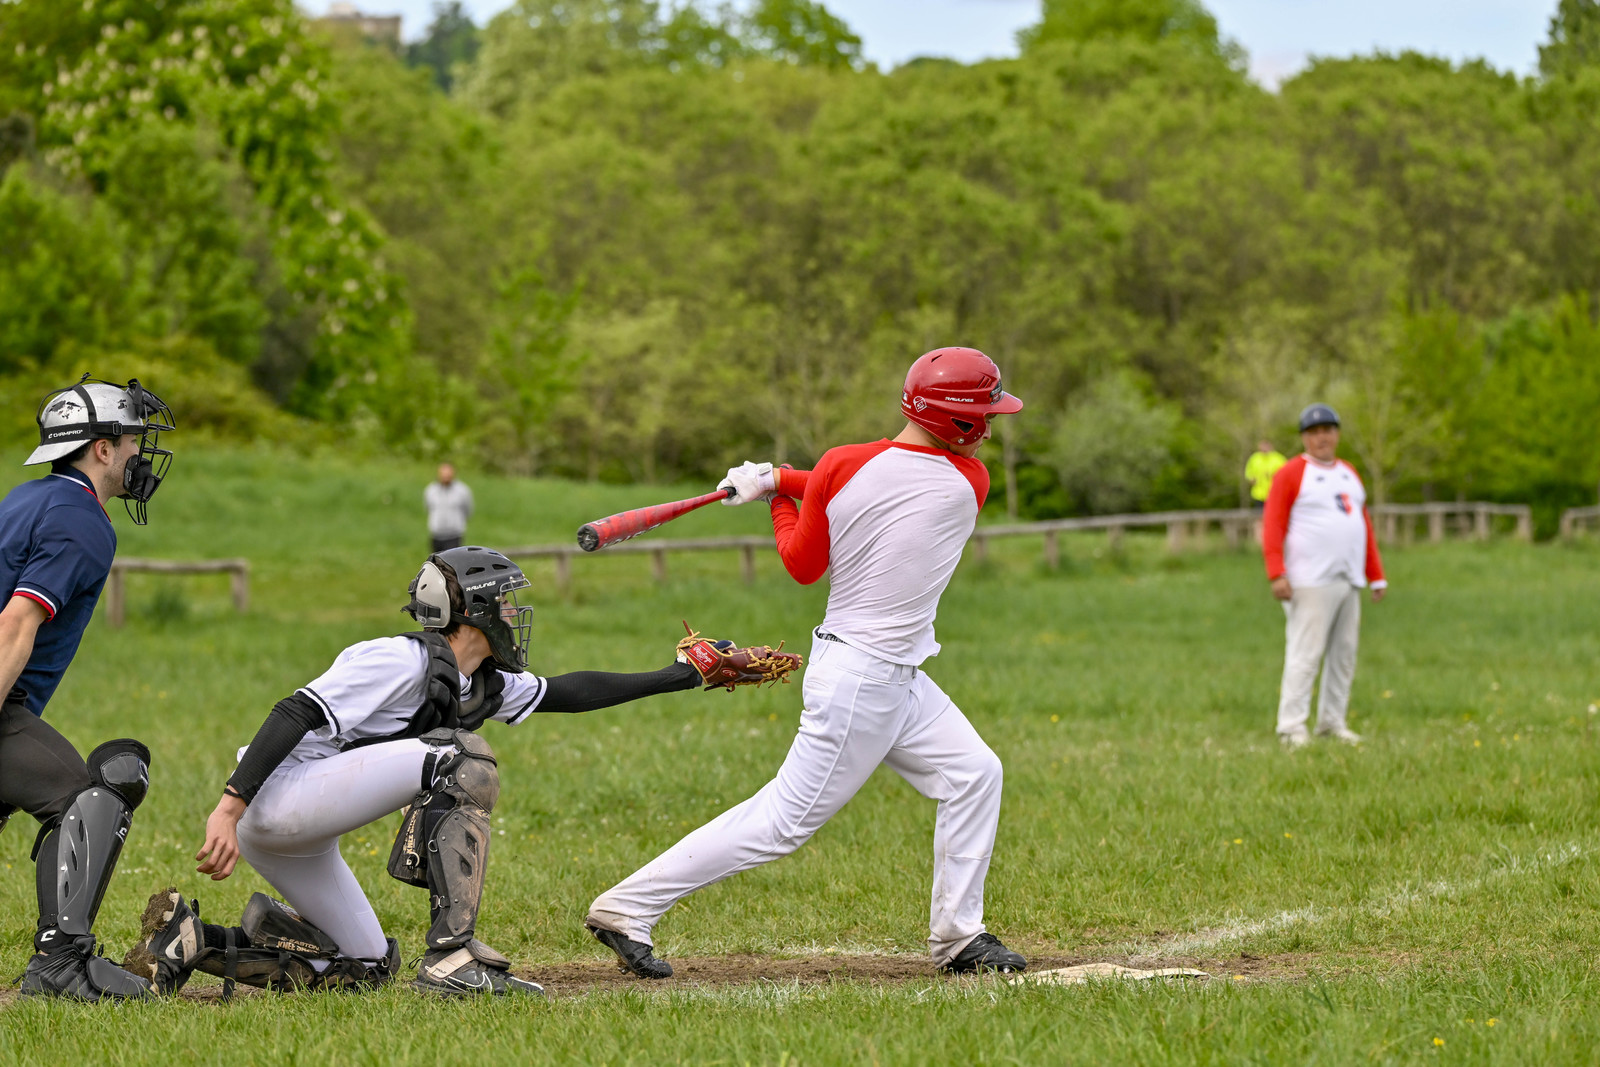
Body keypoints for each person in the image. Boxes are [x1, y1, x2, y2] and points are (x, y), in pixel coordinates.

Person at [122, 546, 798, 998]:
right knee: (459, 757)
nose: (514, 613)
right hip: (275, 800)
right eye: (504, 602)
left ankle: (193, 942)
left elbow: (570, 691)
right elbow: (294, 711)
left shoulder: (477, 680)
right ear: (471, 610)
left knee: (366, 966)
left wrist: (683, 675)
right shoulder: (398, 658)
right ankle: (452, 956)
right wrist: (229, 807)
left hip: (297, 828)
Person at [586, 346, 1029, 979]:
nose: (988, 426)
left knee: (974, 774)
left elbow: (805, 554)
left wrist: (774, 488)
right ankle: (627, 908)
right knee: (780, 824)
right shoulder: (967, 482)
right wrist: (780, 483)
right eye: (983, 414)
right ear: (952, 417)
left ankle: (961, 938)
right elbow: (852, 488)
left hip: (887, 676)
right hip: (864, 683)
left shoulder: (848, 464)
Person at [1, 375, 176, 1001]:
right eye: (131, 441)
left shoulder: (27, 498)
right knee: (92, 794)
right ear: (101, 449)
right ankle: (62, 964)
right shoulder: (81, 520)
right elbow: (16, 623)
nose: (139, 454)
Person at [1262, 403, 1387, 749]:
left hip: (1347, 577)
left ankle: (1332, 722)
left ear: (1337, 434)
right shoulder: (1291, 473)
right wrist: (1276, 572)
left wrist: (1375, 575)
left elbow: (1362, 525)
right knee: (1306, 654)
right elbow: (1273, 523)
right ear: (1304, 437)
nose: (1322, 438)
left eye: (1327, 430)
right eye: (1314, 432)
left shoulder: (1348, 472)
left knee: (1343, 655)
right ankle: (1291, 727)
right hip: (1310, 581)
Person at [424, 463, 473, 553]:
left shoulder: (462, 490)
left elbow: (468, 510)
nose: (445, 476)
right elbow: (428, 508)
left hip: (454, 536)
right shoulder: (431, 490)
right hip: (436, 535)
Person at [1245, 439, 1286, 509]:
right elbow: (1248, 471)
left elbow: (1285, 474)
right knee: (1259, 514)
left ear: (1271, 446)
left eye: (1266, 445)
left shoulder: (1279, 459)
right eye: (1262, 445)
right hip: (1258, 494)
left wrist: (1273, 476)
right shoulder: (1254, 458)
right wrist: (1251, 478)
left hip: (1274, 493)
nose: (1264, 448)